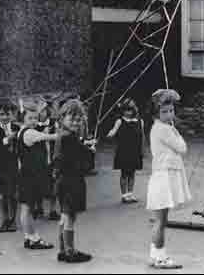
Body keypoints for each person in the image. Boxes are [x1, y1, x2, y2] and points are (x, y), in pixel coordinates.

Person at [146, 89, 191, 269]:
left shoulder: (165, 127)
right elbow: (182, 148)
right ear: (156, 113)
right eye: (164, 111)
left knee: (162, 221)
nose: (169, 114)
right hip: (163, 177)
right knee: (160, 221)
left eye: (171, 110)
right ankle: (160, 257)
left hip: (165, 174)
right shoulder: (162, 129)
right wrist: (177, 135)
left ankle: (155, 254)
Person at [53, 99, 97, 263]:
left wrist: (83, 146)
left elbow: (69, 153)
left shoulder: (63, 136)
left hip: (62, 181)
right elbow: (82, 163)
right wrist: (90, 150)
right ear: (62, 118)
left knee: (65, 216)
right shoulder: (69, 138)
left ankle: (63, 250)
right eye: (72, 118)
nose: (76, 122)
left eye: (79, 119)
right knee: (70, 217)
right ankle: (70, 252)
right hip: (71, 182)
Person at [16, 101, 60, 250]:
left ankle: (28, 237)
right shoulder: (29, 133)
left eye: (35, 118)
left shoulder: (24, 131)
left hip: (27, 176)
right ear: (23, 119)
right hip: (30, 177)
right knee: (27, 209)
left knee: (25, 209)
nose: (34, 121)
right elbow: (48, 137)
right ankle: (34, 238)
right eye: (30, 118)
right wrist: (63, 133)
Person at [0, 98, 20, 233]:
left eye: (8, 114)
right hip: (0, 166)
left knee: (12, 193)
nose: (5, 117)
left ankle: (13, 219)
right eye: (2, 114)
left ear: (12, 114)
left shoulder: (17, 128)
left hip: (13, 165)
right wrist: (9, 138)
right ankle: (5, 218)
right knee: (3, 194)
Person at [107, 98, 145, 204]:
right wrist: (110, 133)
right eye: (126, 109)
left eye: (130, 109)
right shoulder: (120, 121)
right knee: (124, 173)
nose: (128, 112)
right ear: (122, 110)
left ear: (134, 110)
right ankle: (124, 195)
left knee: (132, 173)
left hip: (135, 151)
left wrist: (142, 150)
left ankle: (130, 194)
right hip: (123, 151)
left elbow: (142, 136)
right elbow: (113, 131)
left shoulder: (139, 121)